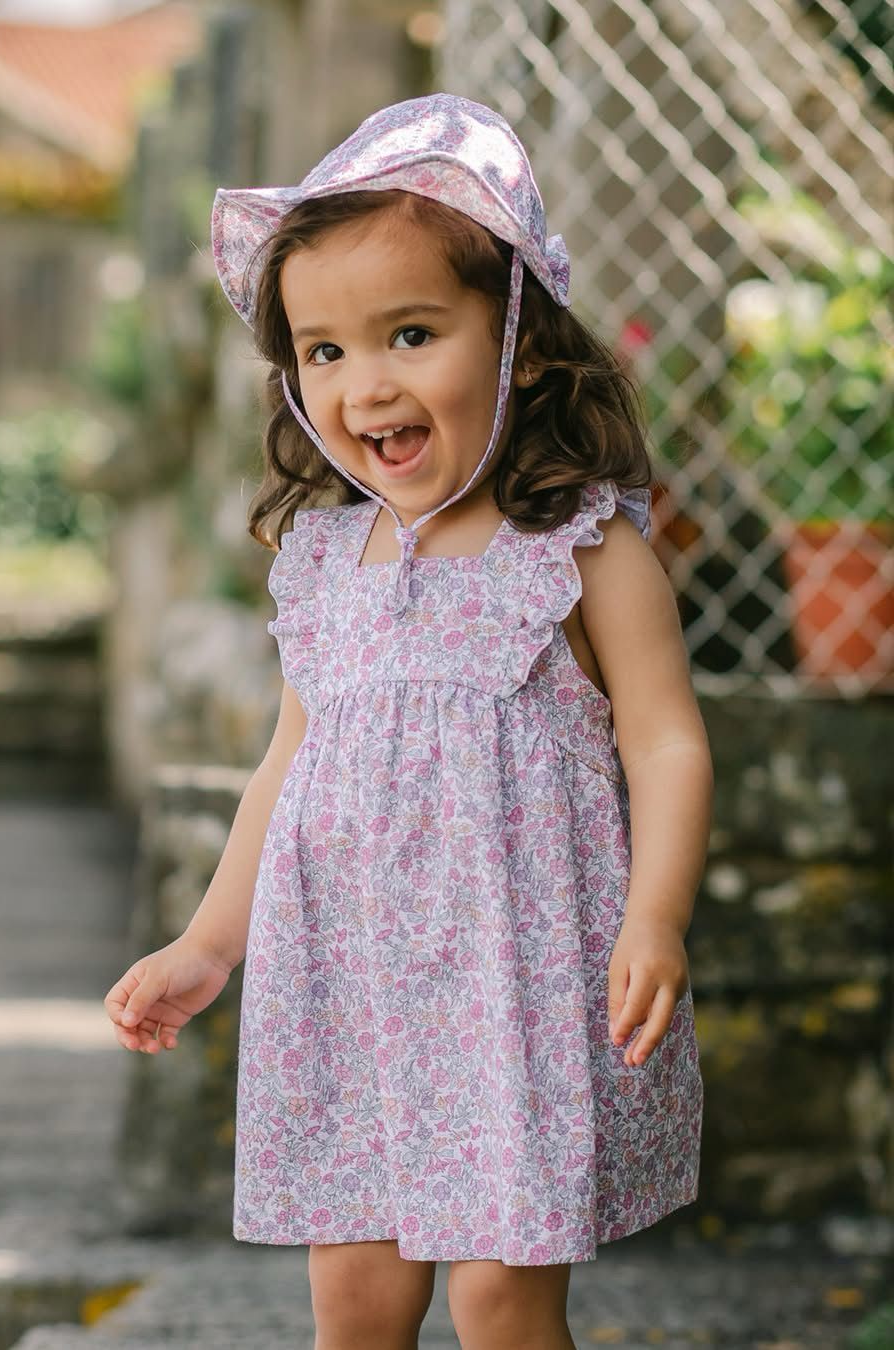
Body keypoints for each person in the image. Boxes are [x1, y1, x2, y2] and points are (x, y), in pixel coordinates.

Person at [105, 94, 712, 1350]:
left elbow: (665, 742)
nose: (363, 382)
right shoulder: (325, 563)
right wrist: (209, 946)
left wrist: (654, 914)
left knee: (499, 1293)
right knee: (357, 1291)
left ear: (521, 344)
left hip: (519, 980)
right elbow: (289, 765)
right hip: (355, 988)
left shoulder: (583, 548)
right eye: (322, 353)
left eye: (411, 333)